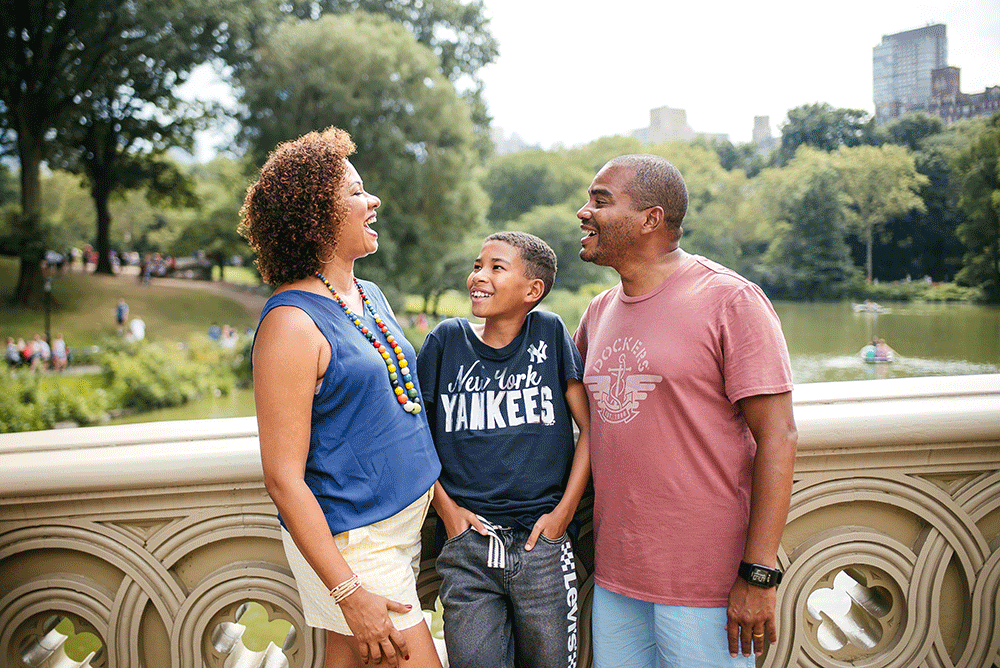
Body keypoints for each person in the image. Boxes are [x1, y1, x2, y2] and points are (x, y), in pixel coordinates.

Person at [573, 154, 798, 667]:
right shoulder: (599, 312)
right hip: (616, 577)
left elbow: (779, 437)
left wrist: (758, 574)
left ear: (651, 219)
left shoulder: (730, 300)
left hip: (709, 586)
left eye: (600, 201)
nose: (584, 212)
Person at [240, 126, 442, 668]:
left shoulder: (367, 293)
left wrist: (442, 499)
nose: (372, 199)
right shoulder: (291, 325)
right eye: (355, 192)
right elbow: (283, 477)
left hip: (398, 530)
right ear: (315, 216)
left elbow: (404, 408)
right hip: (356, 546)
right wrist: (350, 593)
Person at [416, 231, 591, 668]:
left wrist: (563, 515)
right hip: (468, 546)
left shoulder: (548, 334)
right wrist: (448, 511)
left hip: (543, 546)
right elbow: (413, 439)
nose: (479, 276)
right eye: (478, 265)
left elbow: (591, 429)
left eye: (497, 267)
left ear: (532, 290)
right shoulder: (446, 341)